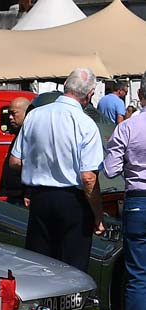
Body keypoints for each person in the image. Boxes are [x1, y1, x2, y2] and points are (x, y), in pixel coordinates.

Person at [10, 68, 105, 273]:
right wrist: (98, 214)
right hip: (72, 201)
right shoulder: (86, 124)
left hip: (40, 198)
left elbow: (15, 162)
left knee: (39, 265)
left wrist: (37, 171)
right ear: (89, 95)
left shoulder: (35, 116)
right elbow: (88, 177)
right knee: (72, 269)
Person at [104, 74, 146, 310]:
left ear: (141, 96)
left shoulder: (128, 127)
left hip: (138, 201)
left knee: (137, 277)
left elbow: (110, 169)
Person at [0, 96, 30, 206]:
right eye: (9, 114)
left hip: (22, 194)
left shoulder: (28, 135)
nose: (10, 117)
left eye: (14, 113)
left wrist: (28, 193)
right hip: (14, 194)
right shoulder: (18, 134)